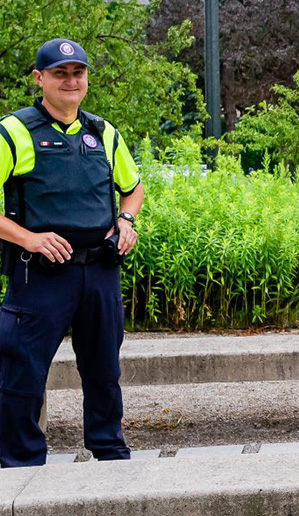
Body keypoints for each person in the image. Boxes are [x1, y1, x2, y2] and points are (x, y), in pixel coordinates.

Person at [0, 39, 144, 467]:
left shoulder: (103, 132)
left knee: (104, 372)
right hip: (40, 275)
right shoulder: (14, 131)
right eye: (59, 73)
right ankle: (19, 465)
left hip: (99, 273)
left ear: (86, 79)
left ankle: (110, 457)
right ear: (39, 78)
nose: (70, 80)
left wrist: (126, 221)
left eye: (77, 72)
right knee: (21, 373)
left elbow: (132, 188)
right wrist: (28, 238)